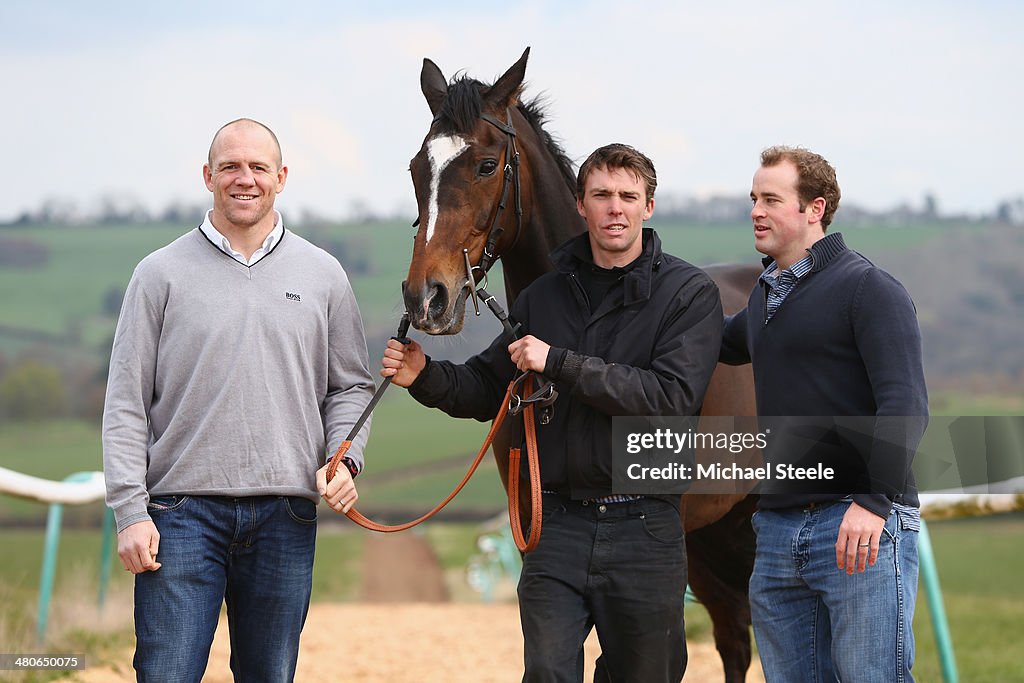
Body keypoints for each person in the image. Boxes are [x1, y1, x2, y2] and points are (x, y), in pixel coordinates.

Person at [382, 143, 722, 682]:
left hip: (646, 527)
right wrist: (423, 376)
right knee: (546, 673)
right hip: (557, 526)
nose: (615, 208)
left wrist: (559, 363)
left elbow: (669, 400)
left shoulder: (688, 294)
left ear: (648, 207)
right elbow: (487, 387)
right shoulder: (542, 298)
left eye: (628, 197)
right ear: (580, 205)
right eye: (601, 195)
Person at [102, 118, 375, 682]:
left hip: (287, 512)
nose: (243, 179)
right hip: (178, 516)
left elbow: (350, 386)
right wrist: (130, 510)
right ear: (208, 176)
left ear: (281, 177)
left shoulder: (324, 275)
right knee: (167, 674)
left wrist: (344, 457)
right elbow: (126, 400)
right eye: (230, 166)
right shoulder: (158, 274)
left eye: (257, 167)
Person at [721, 146, 928, 682]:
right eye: (753, 198)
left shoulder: (868, 289)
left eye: (771, 199)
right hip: (776, 530)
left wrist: (872, 500)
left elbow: (905, 405)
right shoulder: (765, 300)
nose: (756, 211)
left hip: (856, 523)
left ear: (814, 208)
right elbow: (709, 347)